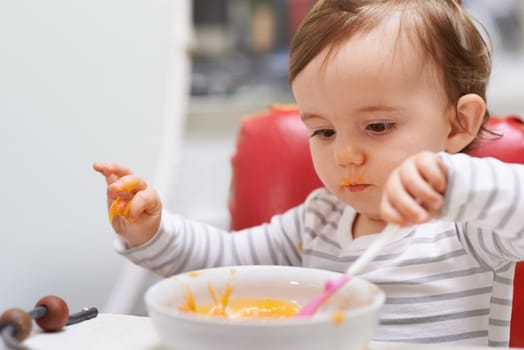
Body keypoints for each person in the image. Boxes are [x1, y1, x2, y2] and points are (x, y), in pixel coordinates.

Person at [94, 0, 524, 346]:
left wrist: (457, 184)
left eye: (378, 126)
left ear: (457, 125)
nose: (345, 154)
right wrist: (151, 232)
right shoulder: (319, 219)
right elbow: (223, 260)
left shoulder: (469, 225)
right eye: (323, 131)